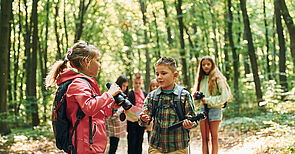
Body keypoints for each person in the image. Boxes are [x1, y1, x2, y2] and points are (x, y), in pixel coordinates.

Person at [45, 41, 121, 154]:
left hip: (90, 144)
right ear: (86, 61)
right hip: (83, 145)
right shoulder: (78, 84)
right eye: (97, 60)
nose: (99, 65)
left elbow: (97, 113)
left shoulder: (86, 83)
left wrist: (112, 107)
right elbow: (89, 107)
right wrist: (109, 95)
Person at [139, 56, 197, 154]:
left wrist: (190, 124)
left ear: (175, 75)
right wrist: (143, 119)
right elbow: (143, 120)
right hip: (156, 147)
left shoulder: (184, 95)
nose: (159, 77)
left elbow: (193, 119)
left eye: (163, 73)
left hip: (178, 147)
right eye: (157, 74)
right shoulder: (152, 96)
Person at [193, 56, 232, 154]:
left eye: (208, 64)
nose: (206, 66)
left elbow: (224, 96)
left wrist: (208, 100)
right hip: (202, 110)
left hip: (215, 110)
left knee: (214, 137)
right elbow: (198, 101)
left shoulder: (217, 78)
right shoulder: (200, 79)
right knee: (204, 138)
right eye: (203, 65)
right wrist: (196, 97)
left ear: (212, 65)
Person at [106, 75, 129, 154]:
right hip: (112, 127)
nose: (125, 88)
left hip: (118, 127)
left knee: (114, 147)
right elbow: (110, 112)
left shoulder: (123, 96)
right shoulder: (113, 94)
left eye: (126, 86)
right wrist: (121, 110)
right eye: (123, 86)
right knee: (112, 147)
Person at [127, 73, 147, 154]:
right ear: (133, 82)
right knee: (131, 145)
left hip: (141, 124)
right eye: (136, 83)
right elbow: (129, 110)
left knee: (139, 144)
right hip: (132, 124)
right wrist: (139, 113)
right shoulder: (130, 94)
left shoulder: (145, 94)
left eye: (139, 83)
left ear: (141, 83)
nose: (137, 85)